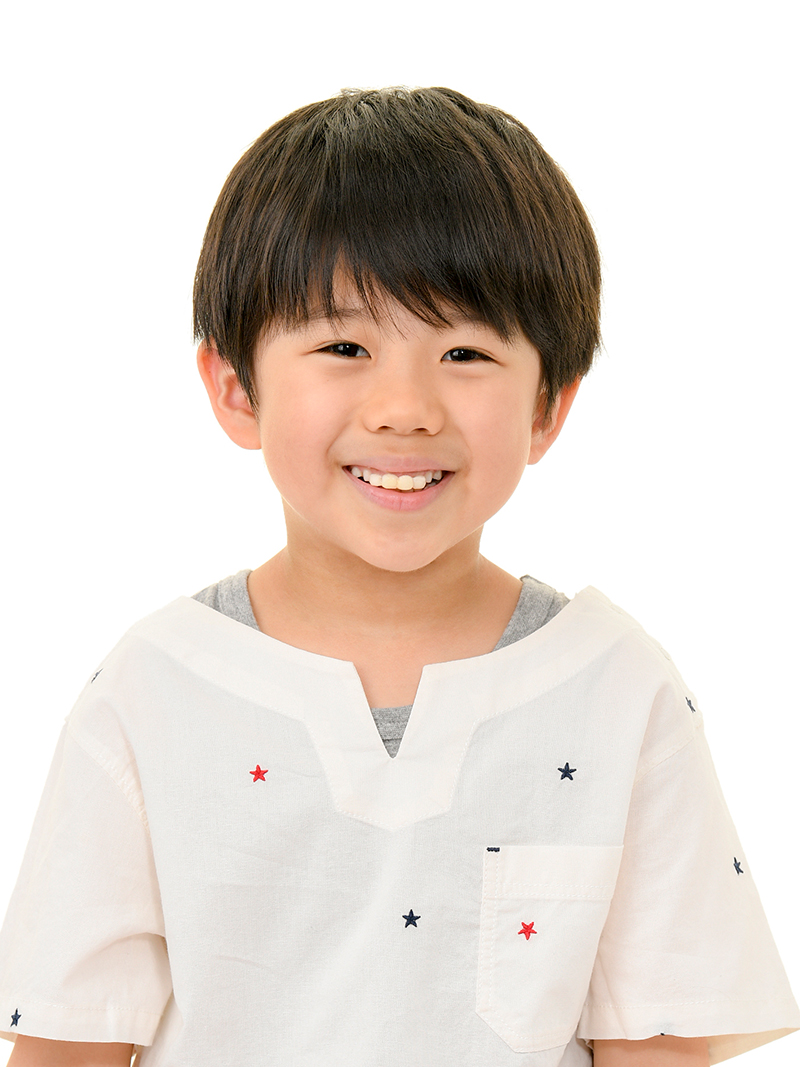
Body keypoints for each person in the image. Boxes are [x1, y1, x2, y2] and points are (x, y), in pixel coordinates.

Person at [0, 87, 797, 1067]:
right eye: (344, 346)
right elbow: (66, 1042)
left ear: (547, 405)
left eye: (464, 350)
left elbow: (659, 1039)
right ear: (236, 388)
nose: (404, 406)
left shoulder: (614, 687)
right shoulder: (155, 687)